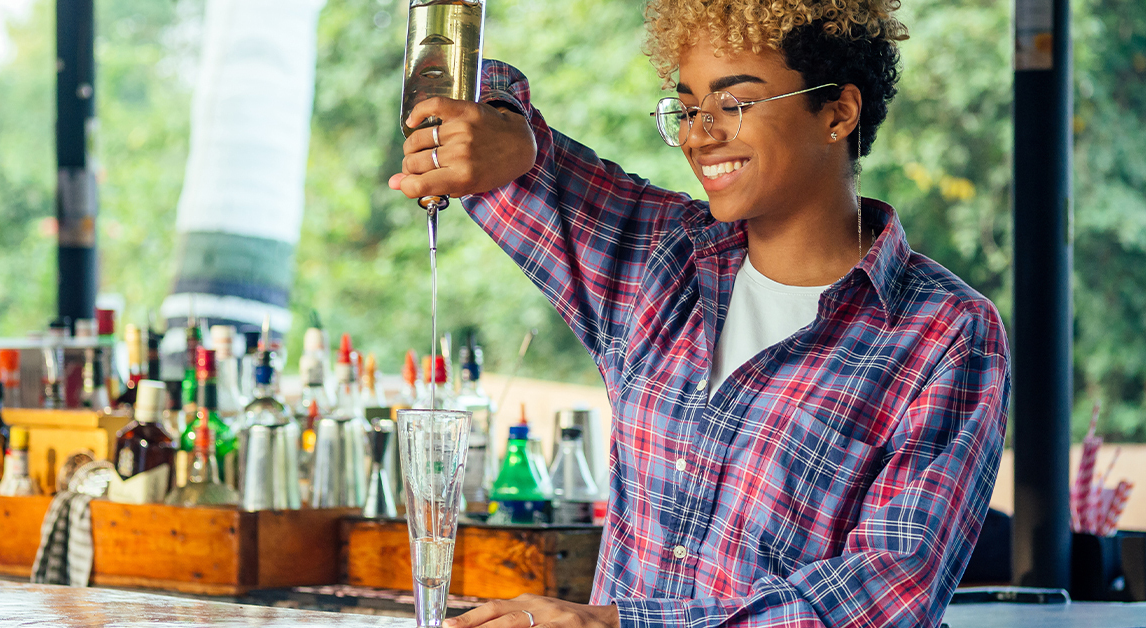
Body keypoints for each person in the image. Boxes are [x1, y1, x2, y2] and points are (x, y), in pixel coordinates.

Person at [389, 0, 1010, 626]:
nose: (697, 133)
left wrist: (614, 624)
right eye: (687, 107)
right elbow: (460, 91)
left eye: (734, 103)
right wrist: (504, 128)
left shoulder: (945, 333)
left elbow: (882, 601)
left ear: (838, 113)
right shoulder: (661, 261)